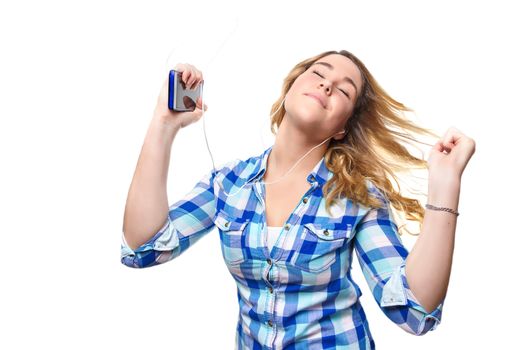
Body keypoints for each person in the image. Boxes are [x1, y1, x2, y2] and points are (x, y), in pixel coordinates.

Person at [121, 50, 476, 349]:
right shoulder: (229, 184)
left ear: (342, 128)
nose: (327, 84)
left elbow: (414, 312)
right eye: (319, 73)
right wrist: (164, 125)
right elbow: (143, 247)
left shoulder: (358, 197)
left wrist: (445, 185)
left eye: (344, 91)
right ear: (289, 90)